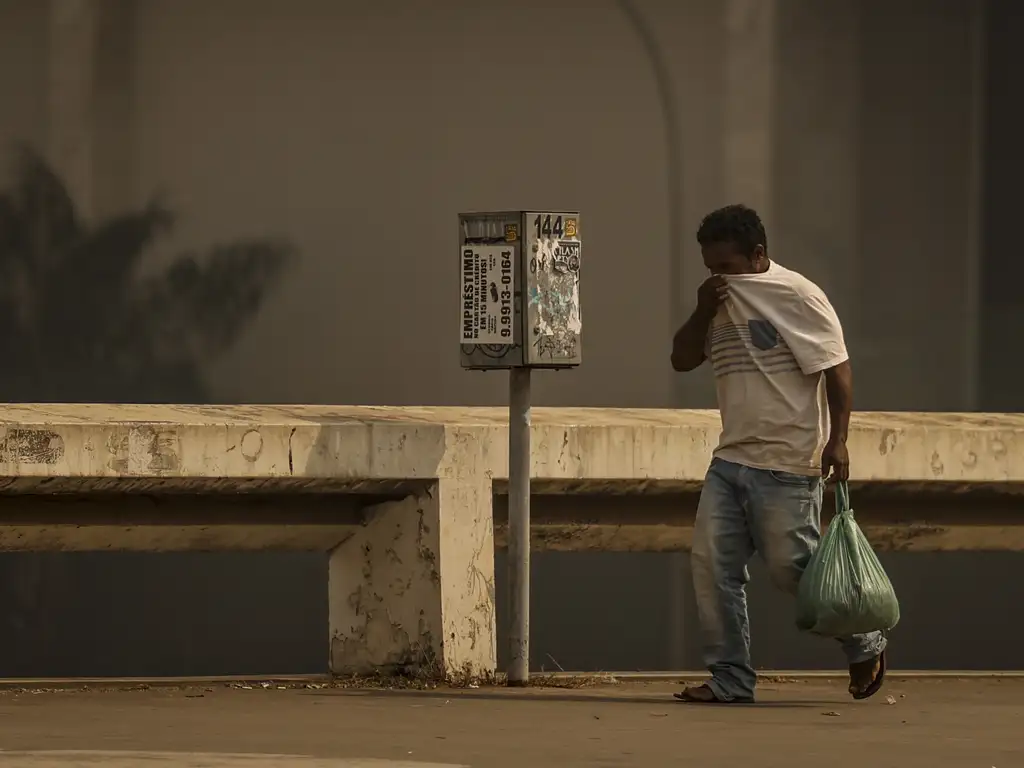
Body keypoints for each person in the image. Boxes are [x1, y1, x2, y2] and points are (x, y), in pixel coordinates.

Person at [670, 204, 887, 704]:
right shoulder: (718, 300)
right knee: (711, 567)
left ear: (758, 255)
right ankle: (730, 680)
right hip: (730, 461)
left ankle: (864, 641)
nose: (718, 277)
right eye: (709, 267)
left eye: (726, 266)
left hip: (788, 460)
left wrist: (838, 439)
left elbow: (838, 369)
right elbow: (682, 360)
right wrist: (704, 306)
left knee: (793, 569)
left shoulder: (798, 295)